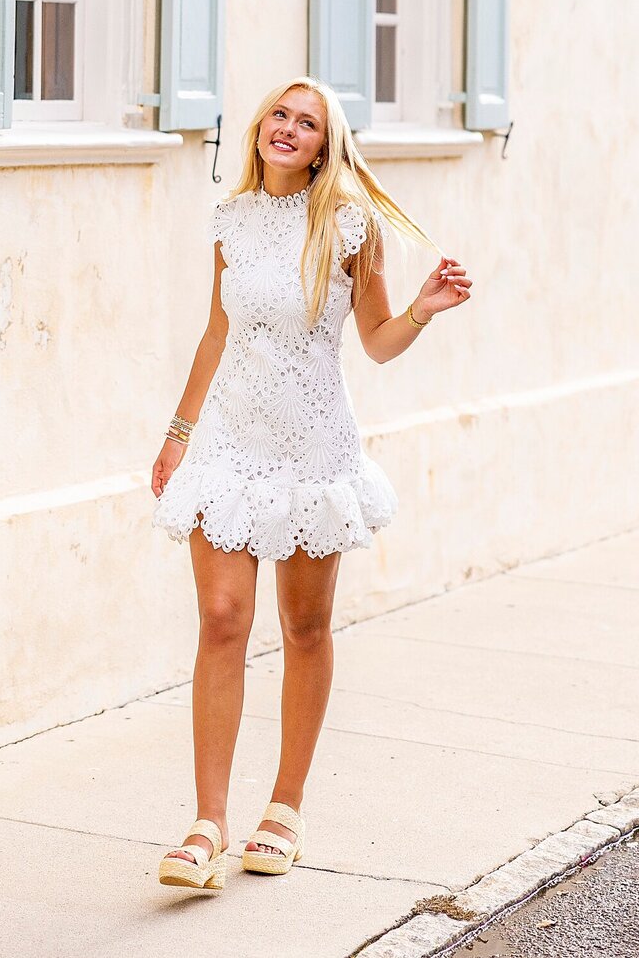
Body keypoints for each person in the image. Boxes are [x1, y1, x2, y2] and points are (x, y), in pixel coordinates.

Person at [151, 74, 472, 891]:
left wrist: (425, 308)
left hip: (311, 451)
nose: (288, 128)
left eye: (307, 122)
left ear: (325, 145)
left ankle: (283, 808)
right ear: (260, 128)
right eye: (279, 115)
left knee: (303, 625)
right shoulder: (231, 222)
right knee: (222, 617)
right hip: (228, 442)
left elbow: (376, 341)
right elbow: (216, 332)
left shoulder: (349, 223)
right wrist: (178, 435)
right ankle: (206, 823)